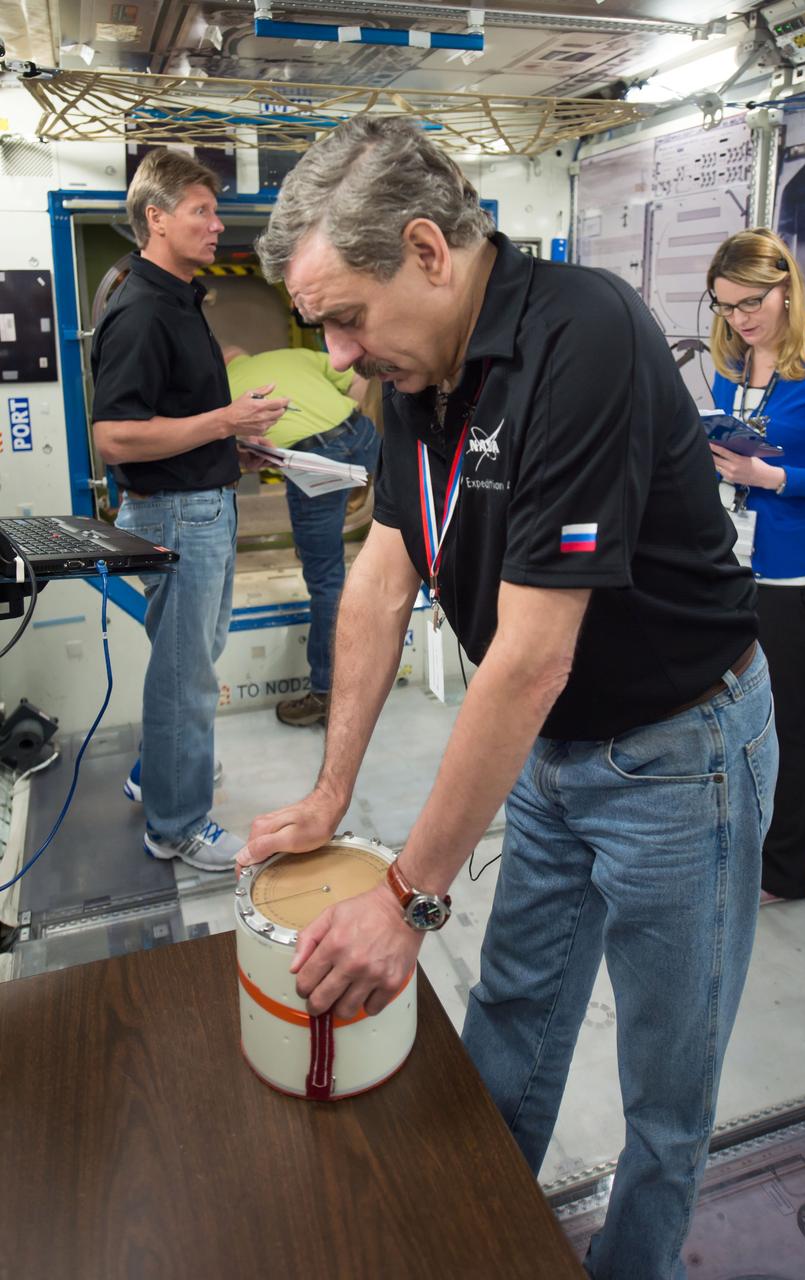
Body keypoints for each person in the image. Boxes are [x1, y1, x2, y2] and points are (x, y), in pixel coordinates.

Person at [238, 117, 777, 1279]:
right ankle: (465, 1242)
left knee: (666, 1084)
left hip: (679, 756)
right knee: (514, 1016)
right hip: (554, 756)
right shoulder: (421, 372)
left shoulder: (582, 335)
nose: (335, 356)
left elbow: (532, 655)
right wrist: (334, 790)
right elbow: (383, 578)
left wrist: (406, 894)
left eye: (344, 316)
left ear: (429, 250)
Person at [91, 148, 287, 872]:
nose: (216, 225)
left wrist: (231, 451)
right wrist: (222, 426)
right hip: (175, 517)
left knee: (187, 664)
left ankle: (155, 774)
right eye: (202, 212)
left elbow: (175, 419)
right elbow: (113, 437)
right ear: (156, 217)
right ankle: (174, 825)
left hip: (199, 501)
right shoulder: (141, 311)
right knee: (186, 676)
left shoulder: (180, 300)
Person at [706, 228, 805, 904]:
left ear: (785, 286)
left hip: (793, 579)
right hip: (728, 565)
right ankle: (737, 847)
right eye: (725, 307)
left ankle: (783, 872)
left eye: (749, 302)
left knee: (783, 721)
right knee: (728, 720)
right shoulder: (729, 367)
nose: (739, 319)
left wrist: (772, 478)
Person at [222, 345, 380, 726]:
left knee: (326, 579)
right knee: (398, 552)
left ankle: (326, 694)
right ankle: (371, 682)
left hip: (314, 462)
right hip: (362, 434)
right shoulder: (294, 355)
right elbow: (359, 379)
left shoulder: (222, 389)